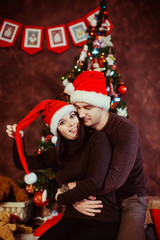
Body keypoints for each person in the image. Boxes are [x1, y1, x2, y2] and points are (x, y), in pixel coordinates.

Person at [6, 99, 120, 240]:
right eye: (62, 122)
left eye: (72, 116)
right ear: (57, 129)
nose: (71, 123)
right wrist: (18, 138)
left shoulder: (97, 140)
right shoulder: (57, 153)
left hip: (101, 219)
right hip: (72, 218)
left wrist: (61, 198)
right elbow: (22, 163)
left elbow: (94, 182)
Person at [64, 71, 147, 240]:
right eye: (78, 108)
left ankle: (148, 233)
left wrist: (74, 188)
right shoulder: (81, 128)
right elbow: (68, 165)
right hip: (96, 195)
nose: (80, 115)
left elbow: (113, 180)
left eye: (87, 108)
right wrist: (71, 196)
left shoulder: (125, 130)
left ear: (101, 105)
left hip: (128, 198)